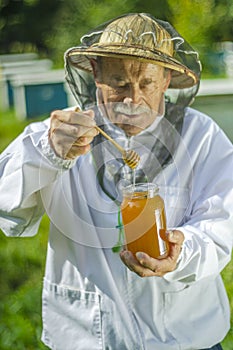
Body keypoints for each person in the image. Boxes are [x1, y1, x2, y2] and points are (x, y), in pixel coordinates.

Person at [0, 13, 232, 350]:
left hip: (184, 337)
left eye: (147, 83)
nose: (132, 99)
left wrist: (183, 252)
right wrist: (48, 153)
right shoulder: (58, 133)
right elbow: (9, 214)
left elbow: (221, 224)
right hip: (87, 337)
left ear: (167, 79)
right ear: (95, 72)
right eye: (119, 82)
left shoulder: (203, 137)